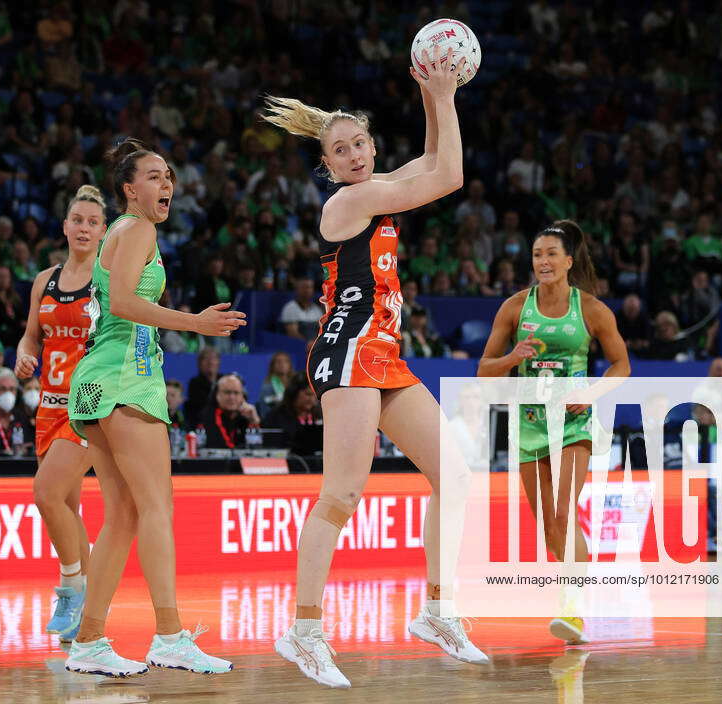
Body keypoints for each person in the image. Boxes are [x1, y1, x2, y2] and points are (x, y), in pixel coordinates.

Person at [262, 47, 488, 689]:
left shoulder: (376, 192)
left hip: (383, 352)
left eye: (361, 143)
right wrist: (442, 95)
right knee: (342, 494)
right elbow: (448, 177)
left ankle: (438, 611)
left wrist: (432, 94)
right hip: (349, 349)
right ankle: (304, 632)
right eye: (341, 151)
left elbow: (440, 163)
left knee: (457, 472)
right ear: (326, 167)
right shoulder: (348, 205)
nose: (355, 155)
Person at [65, 138, 244, 677]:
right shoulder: (136, 228)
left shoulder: (121, 233)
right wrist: (195, 323)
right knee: (155, 509)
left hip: (100, 380)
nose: (165, 185)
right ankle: (168, 635)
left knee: (122, 517)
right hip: (124, 378)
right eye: (153, 177)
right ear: (128, 189)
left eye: (168, 177)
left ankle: (89, 640)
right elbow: (122, 303)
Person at [478, 219, 630, 645]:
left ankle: (573, 610)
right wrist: (513, 358)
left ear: (567, 261)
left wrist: (592, 390)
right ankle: (572, 598)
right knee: (548, 527)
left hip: (573, 424)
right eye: (536, 255)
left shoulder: (593, 310)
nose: (543, 261)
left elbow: (622, 365)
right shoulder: (513, 308)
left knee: (564, 512)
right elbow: (483, 371)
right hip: (529, 427)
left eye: (550, 254)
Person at [14, 185, 107, 643]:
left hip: (88, 401)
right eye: (78, 220)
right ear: (66, 226)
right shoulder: (44, 280)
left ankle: (71, 588)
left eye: (93, 221)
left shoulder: (106, 282)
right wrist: (23, 355)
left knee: (46, 494)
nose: (85, 227)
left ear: (104, 231)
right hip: (47, 406)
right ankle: (86, 624)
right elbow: (31, 336)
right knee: (65, 508)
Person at [263, 378, 323, 456]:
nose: (312, 399)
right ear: (293, 393)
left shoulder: (320, 414)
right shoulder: (275, 416)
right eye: (308, 394)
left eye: (314, 395)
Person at [198, 374, 260, 449]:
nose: (232, 397)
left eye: (236, 393)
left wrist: (254, 422)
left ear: (243, 396)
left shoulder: (245, 415)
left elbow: (264, 447)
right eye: (227, 392)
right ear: (217, 395)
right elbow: (221, 446)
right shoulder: (209, 416)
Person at [184, 347, 221, 427]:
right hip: (201, 425)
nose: (210, 362)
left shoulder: (224, 381)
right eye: (206, 359)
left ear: (218, 362)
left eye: (213, 358)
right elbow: (200, 408)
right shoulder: (195, 383)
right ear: (199, 364)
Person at [279, 276, 323, 341]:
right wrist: (307, 344)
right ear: (297, 290)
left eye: (310, 287)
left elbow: (321, 331)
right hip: (297, 346)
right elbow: (292, 333)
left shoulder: (317, 309)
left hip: (315, 346)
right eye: (304, 287)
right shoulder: (290, 308)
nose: (307, 290)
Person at [258, 351, 296, 416]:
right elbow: (264, 411)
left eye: (285, 361)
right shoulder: (267, 388)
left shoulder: (295, 385)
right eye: (278, 362)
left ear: (290, 365)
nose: (282, 364)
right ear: (272, 366)